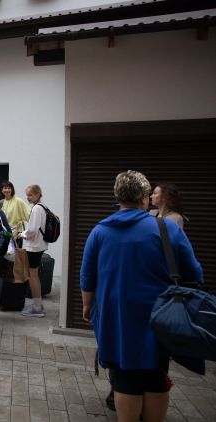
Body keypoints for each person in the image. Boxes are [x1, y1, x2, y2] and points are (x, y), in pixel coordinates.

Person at [80, 170, 202, 422]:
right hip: (160, 316)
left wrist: (87, 305)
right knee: (156, 374)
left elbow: (87, 276)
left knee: (124, 375)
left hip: (115, 316)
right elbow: (194, 272)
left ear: (118, 196)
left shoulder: (100, 231)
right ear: (145, 197)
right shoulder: (166, 228)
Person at [18, 184, 48, 318]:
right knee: (34, 275)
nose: (28, 197)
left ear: (37, 194)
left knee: (32, 276)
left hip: (34, 247)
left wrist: (21, 234)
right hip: (39, 245)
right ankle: (38, 304)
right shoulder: (43, 207)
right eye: (27, 195)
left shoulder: (36, 209)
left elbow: (32, 231)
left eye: (30, 195)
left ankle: (37, 308)